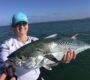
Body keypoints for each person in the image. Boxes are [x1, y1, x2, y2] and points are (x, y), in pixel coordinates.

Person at [0, 12, 76, 80]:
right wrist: (11, 75)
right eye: (18, 24)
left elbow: (47, 61)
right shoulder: (7, 44)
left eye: (24, 23)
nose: (21, 26)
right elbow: (5, 62)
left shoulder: (36, 40)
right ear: (13, 26)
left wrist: (62, 61)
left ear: (28, 25)